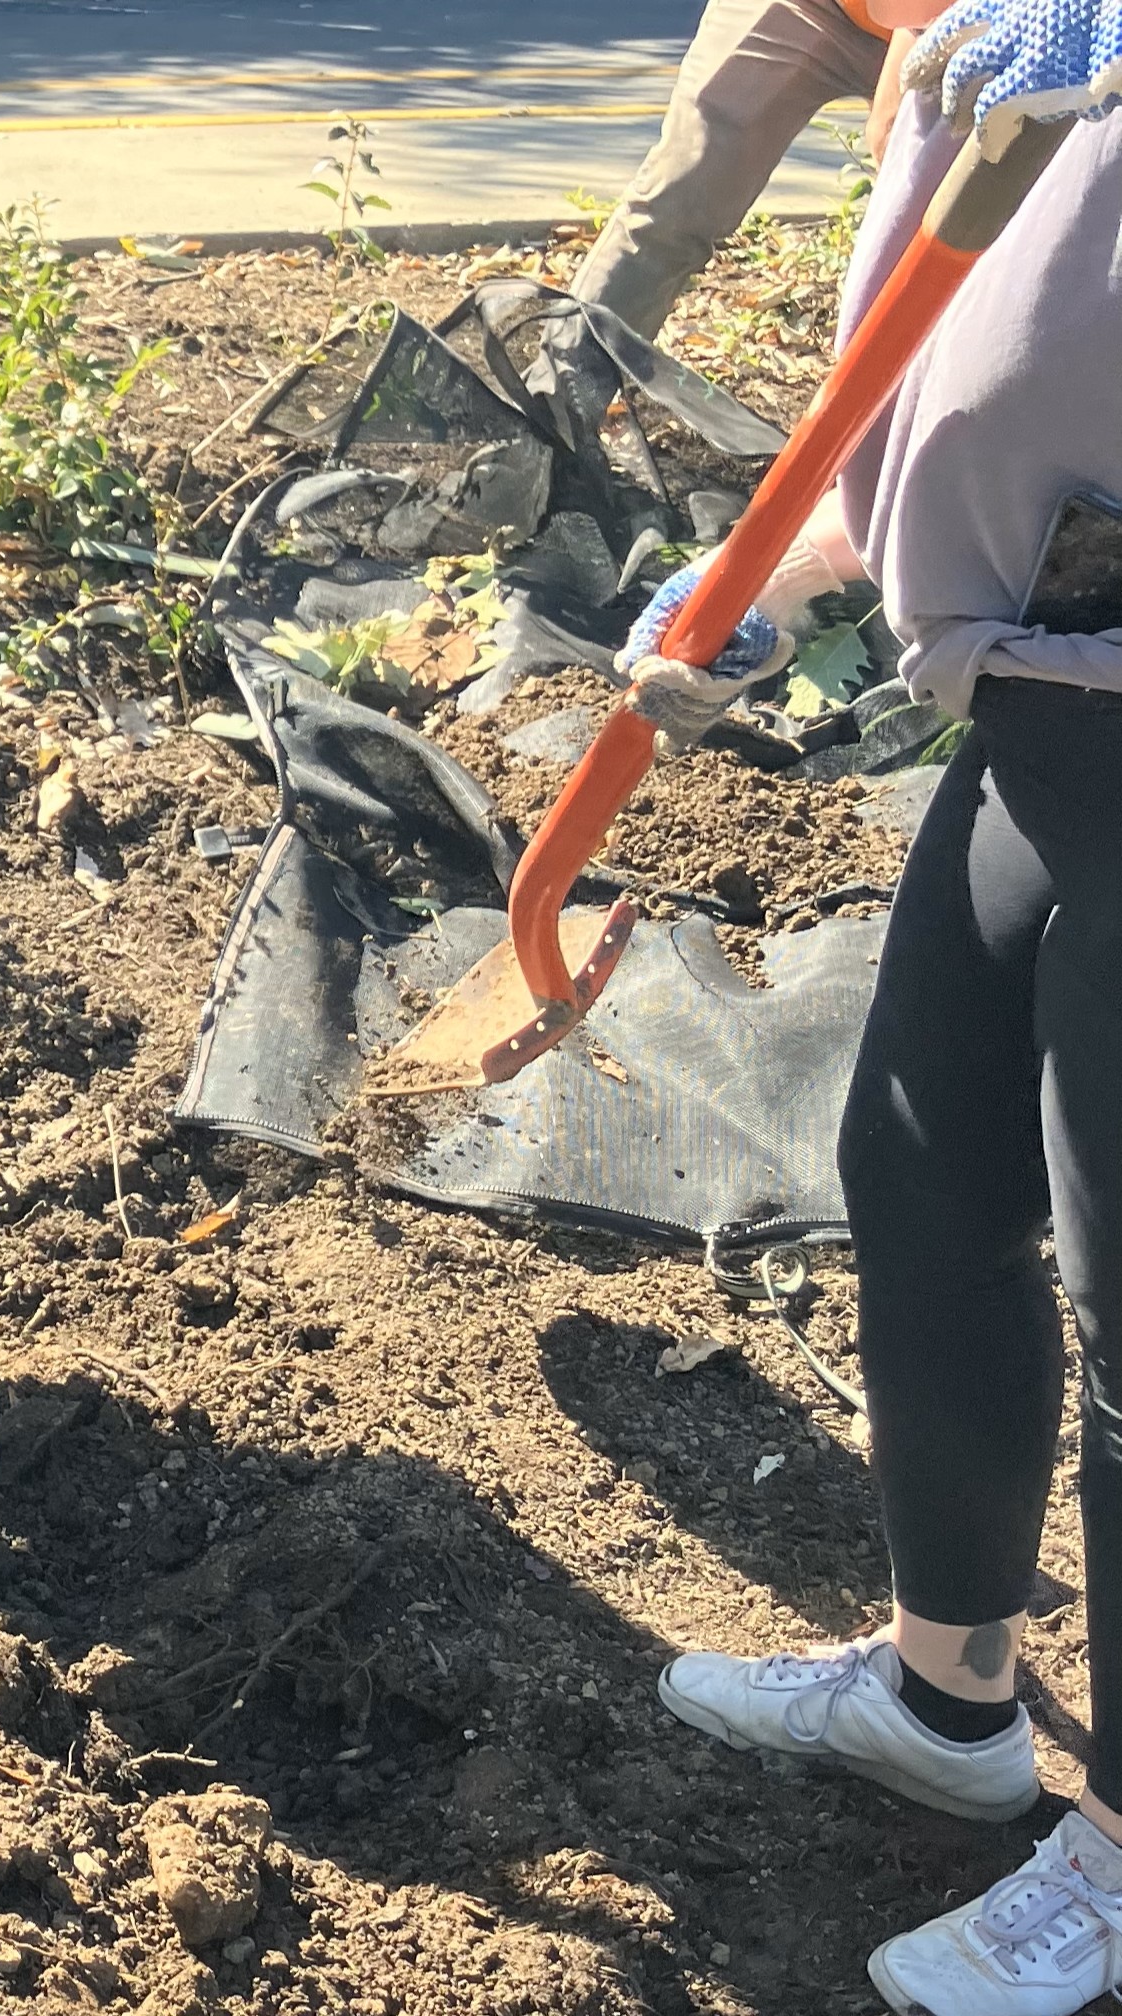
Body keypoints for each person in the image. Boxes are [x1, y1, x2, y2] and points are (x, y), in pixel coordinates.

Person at [624, 0, 1122, 2007]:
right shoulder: (1000, 57)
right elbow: (918, 405)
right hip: (1033, 712)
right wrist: (772, 576)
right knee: (920, 1182)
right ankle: (947, 1698)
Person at [574, 0, 899, 339]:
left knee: (934, 231)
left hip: (949, 25)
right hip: (808, 6)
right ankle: (564, 379)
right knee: (681, 194)